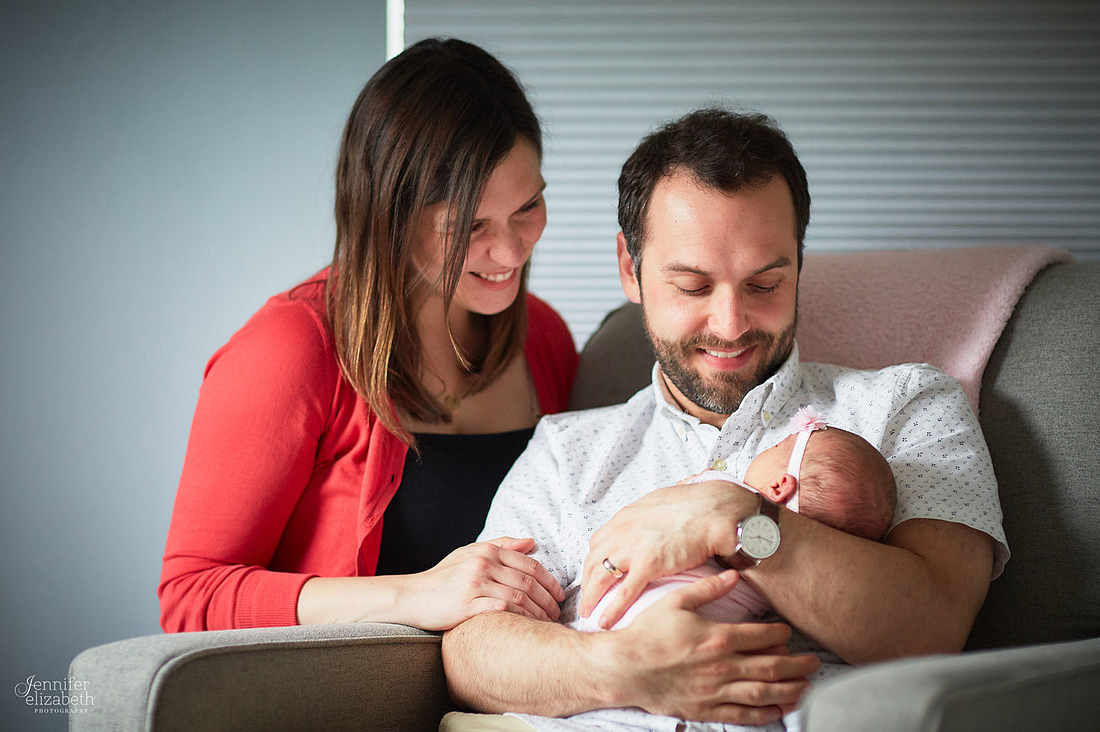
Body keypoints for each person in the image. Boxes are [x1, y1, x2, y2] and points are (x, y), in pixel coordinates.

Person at [440, 108, 1007, 732]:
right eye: (692, 286)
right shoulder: (568, 449)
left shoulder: (907, 408)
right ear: (631, 268)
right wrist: (626, 669)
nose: (732, 324)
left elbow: (931, 629)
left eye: (765, 283)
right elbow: (475, 651)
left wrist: (736, 519)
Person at [158, 38, 577, 634]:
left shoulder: (546, 340)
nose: (510, 251)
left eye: (528, 207)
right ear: (391, 216)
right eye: (471, 225)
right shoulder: (292, 350)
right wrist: (414, 596)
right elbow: (190, 595)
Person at [577, 408, 897, 633]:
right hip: (695, 631)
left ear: (780, 485)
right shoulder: (799, 589)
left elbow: (666, 503)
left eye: (776, 446)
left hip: (627, 611)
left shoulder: (723, 489)